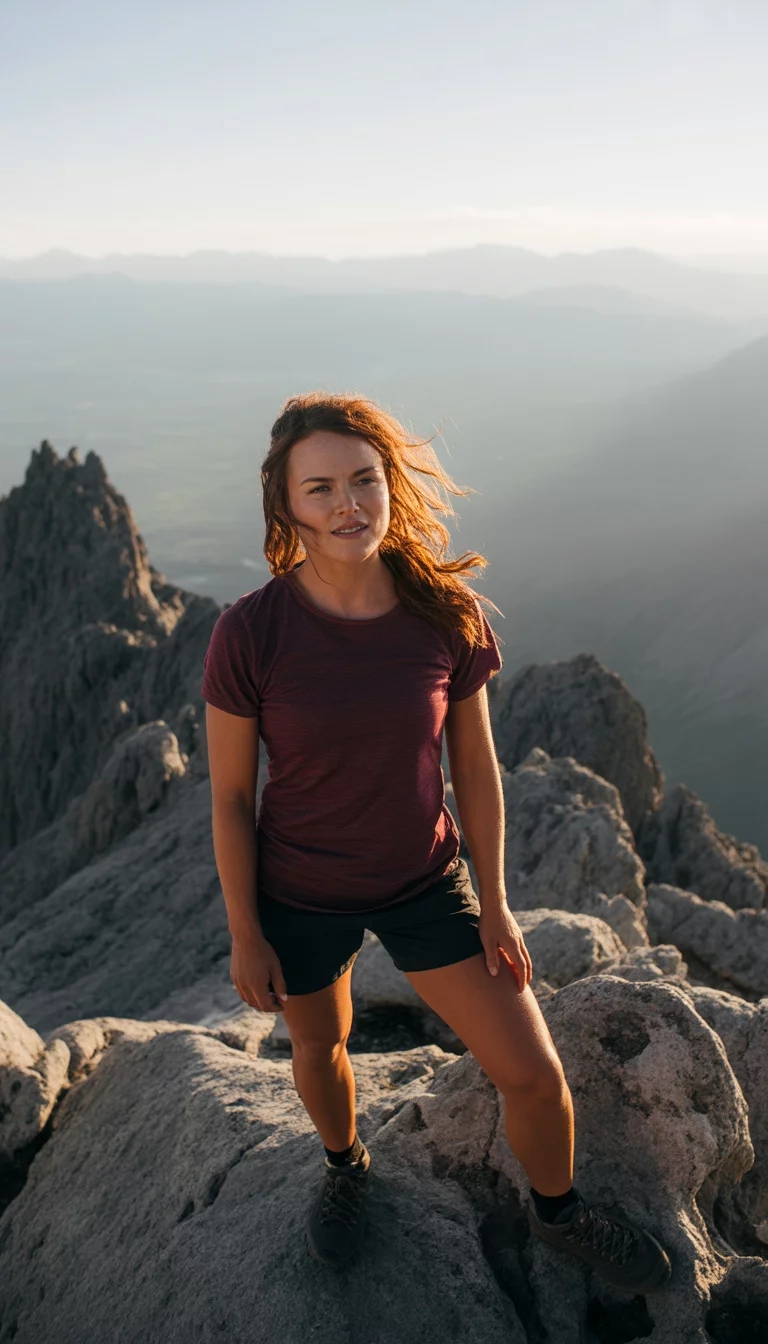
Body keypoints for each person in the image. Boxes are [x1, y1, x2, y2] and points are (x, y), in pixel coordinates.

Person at [201, 391, 671, 1292]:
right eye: (322, 488)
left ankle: (559, 1213)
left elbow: (479, 771)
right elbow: (228, 796)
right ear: (286, 504)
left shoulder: (442, 614)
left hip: (426, 881)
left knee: (533, 1075)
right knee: (319, 1047)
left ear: (390, 485)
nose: (348, 504)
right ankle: (345, 1168)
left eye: (365, 480)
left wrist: (496, 905)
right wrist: (245, 930)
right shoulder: (249, 633)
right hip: (297, 891)